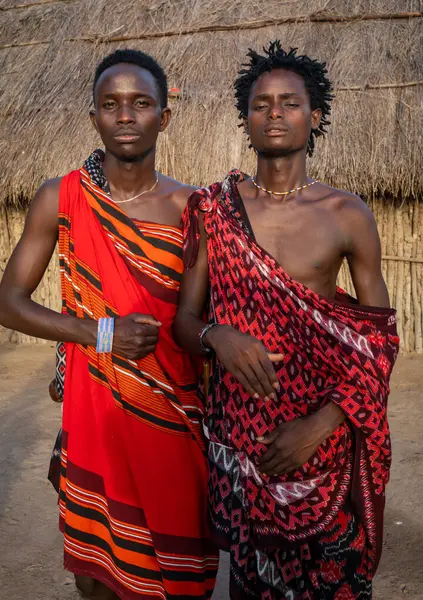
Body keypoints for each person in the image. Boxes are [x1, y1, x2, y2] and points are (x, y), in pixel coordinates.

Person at [173, 41, 399, 600]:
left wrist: (322, 423)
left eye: (290, 103)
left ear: (315, 115)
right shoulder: (213, 208)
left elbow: (379, 341)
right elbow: (183, 322)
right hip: (242, 435)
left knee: (332, 579)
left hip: (321, 438)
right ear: (245, 119)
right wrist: (216, 336)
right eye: (262, 103)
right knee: (252, 583)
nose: (275, 113)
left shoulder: (347, 214)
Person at [0, 48, 218, 599]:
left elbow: (205, 318)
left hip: (175, 418)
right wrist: (100, 334)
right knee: (96, 581)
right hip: (94, 411)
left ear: (164, 117)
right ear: (93, 116)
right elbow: (9, 304)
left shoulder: (197, 208)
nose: (125, 115)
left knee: (181, 572)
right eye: (110, 104)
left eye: (140, 103)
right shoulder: (61, 197)